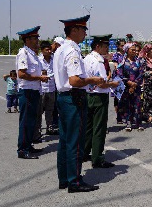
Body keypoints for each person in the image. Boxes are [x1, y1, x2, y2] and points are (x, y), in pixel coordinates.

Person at [52, 15, 104, 192]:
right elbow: (74, 80)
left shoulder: (60, 49)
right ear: (73, 30)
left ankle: (64, 178)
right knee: (75, 141)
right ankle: (74, 181)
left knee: (65, 140)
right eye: (83, 29)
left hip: (63, 97)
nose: (84, 33)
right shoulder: (72, 51)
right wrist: (92, 80)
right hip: (73, 97)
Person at [83, 35, 119, 168]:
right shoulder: (98, 61)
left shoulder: (87, 58)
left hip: (88, 95)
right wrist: (114, 84)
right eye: (105, 46)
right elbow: (102, 84)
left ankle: (84, 153)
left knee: (88, 127)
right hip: (98, 97)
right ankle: (97, 158)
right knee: (99, 128)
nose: (107, 49)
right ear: (97, 46)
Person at [15, 26, 49, 159]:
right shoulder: (23, 53)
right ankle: (22, 149)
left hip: (34, 90)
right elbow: (21, 74)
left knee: (32, 121)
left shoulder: (32, 54)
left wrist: (42, 78)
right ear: (27, 39)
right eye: (34, 38)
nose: (37, 41)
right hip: (27, 91)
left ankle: (28, 145)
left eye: (37, 38)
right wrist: (39, 78)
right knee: (26, 121)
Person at [116, 42, 145, 131]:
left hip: (136, 86)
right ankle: (128, 123)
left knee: (138, 104)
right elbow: (119, 73)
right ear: (127, 50)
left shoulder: (138, 61)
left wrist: (135, 83)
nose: (134, 52)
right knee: (127, 105)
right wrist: (128, 82)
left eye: (135, 50)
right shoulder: (122, 61)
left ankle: (138, 123)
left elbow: (141, 73)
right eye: (132, 50)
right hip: (126, 87)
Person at [38, 41, 57, 136]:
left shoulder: (54, 59)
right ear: (42, 51)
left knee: (50, 110)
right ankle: (37, 130)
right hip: (42, 89)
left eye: (50, 49)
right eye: (47, 49)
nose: (49, 51)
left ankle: (50, 127)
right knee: (40, 110)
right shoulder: (39, 61)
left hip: (52, 88)